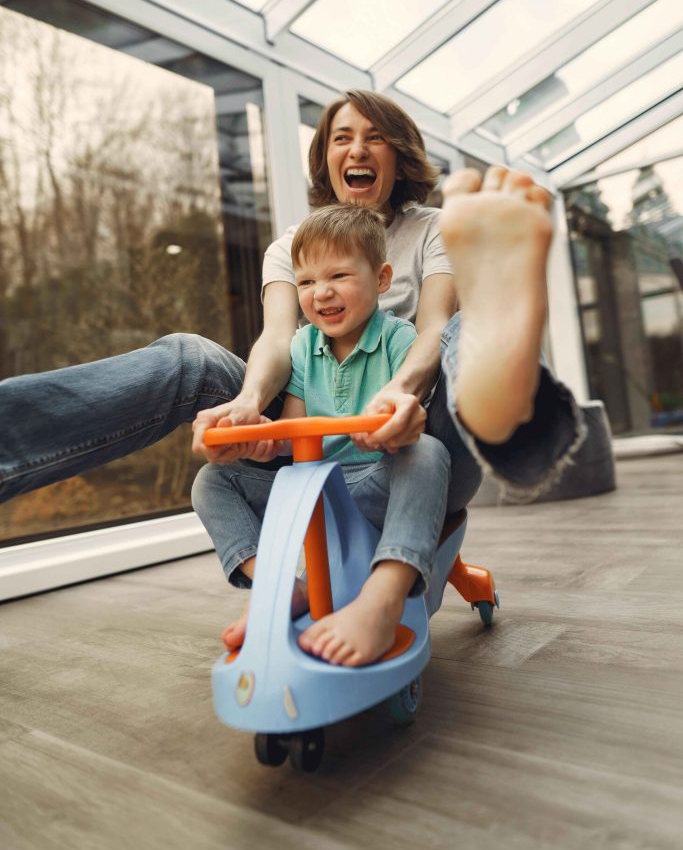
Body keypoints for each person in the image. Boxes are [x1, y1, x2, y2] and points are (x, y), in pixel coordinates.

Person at [1, 89, 586, 639]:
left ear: (399, 154)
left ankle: (507, 407)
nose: (356, 149)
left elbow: (432, 326)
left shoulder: (438, 229)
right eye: (341, 138)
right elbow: (279, 338)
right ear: (325, 158)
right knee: (188, 356)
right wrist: (251, 405)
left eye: (375, 137)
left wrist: (402, 392)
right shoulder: (290, 246)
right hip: (323, 426)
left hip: (420, 426)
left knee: (466, 326)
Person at [192, 203, 451, 667]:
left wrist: (391, 433)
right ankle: (277, 587)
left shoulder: (398, 340)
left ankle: (384, 596)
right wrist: (266, 439)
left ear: (382, 278)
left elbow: (409, 422)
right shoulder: (300, 346)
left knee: (428, 454)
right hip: (310, 486)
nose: (321, 293)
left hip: (373, 482)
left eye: (339, 276)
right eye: (307, 282)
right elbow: (293, 430)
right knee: (212, 482)